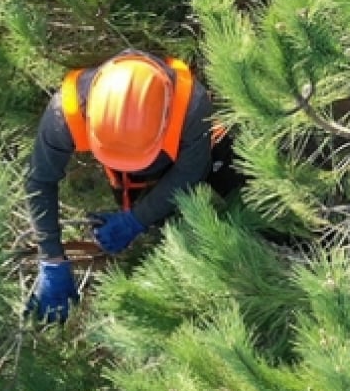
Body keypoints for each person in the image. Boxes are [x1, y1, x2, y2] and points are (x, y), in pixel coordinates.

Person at [24, 49, 242, 323]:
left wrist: (137, 219)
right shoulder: (64, 112)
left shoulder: (191, 106)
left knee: (238, 190)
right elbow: (40, 180)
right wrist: (51, 258)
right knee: (159, 236)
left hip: (195, 154)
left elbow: (190, 171)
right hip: (133, 161)